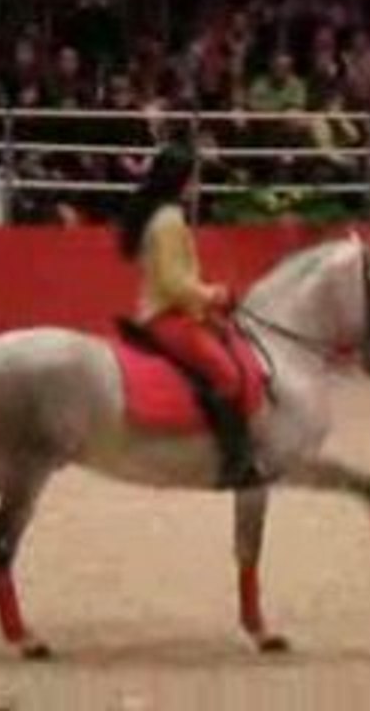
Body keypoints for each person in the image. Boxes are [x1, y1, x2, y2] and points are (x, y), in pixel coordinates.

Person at [119, 143, 259, 489]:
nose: (196, 183)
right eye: (193, 177)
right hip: (168, 315)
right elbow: (172, 282)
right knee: (227, 375)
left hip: (176, 309)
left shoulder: (161, 215)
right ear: (180, 179)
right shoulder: (168, 220)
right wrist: (214, 295)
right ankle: (231, 461)